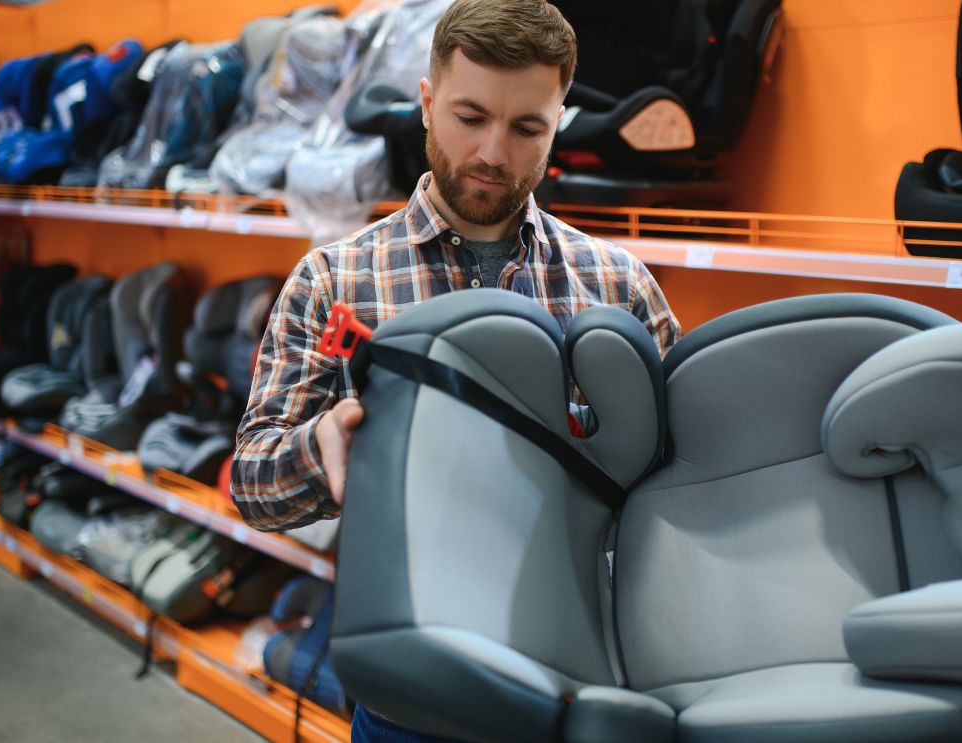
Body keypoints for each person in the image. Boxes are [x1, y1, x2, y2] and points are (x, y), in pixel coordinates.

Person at [230, 0, 680, 739]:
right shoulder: (333, 280)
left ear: (557, 122)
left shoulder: (618, 284)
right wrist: (320, 449)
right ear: (427, 103)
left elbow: (680, 475)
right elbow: (250, 484)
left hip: (586, 681)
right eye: (470, 117)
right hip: (415, 693)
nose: (493, 153)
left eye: (527, 127)